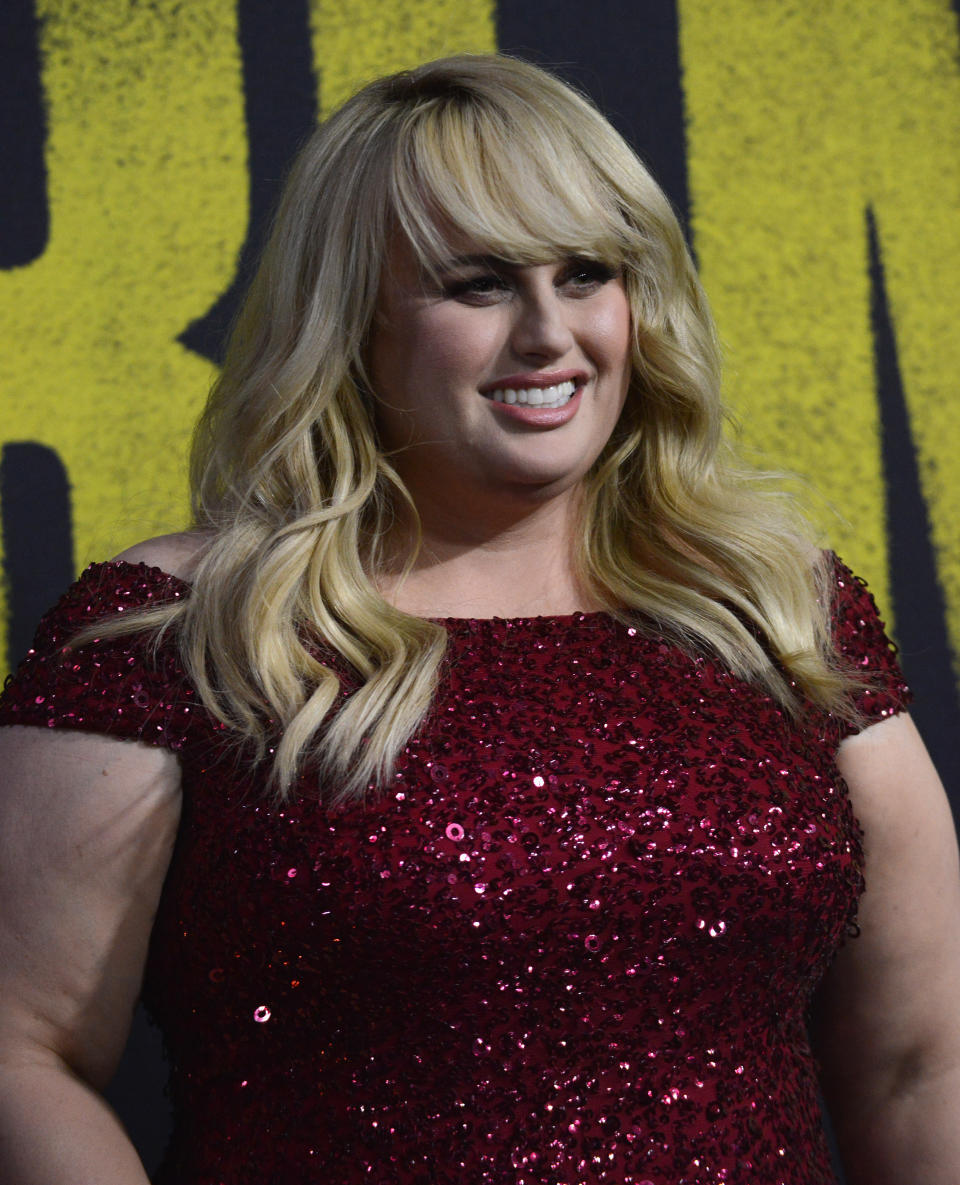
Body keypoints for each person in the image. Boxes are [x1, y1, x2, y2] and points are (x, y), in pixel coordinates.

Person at [0, 53, 957, 1185]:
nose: (550, 333)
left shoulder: (774, 606)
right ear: (353, 318)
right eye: (480, 283)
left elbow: (918, 1062)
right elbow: (24, 1050)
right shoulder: (181, 630)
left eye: (587, 273)